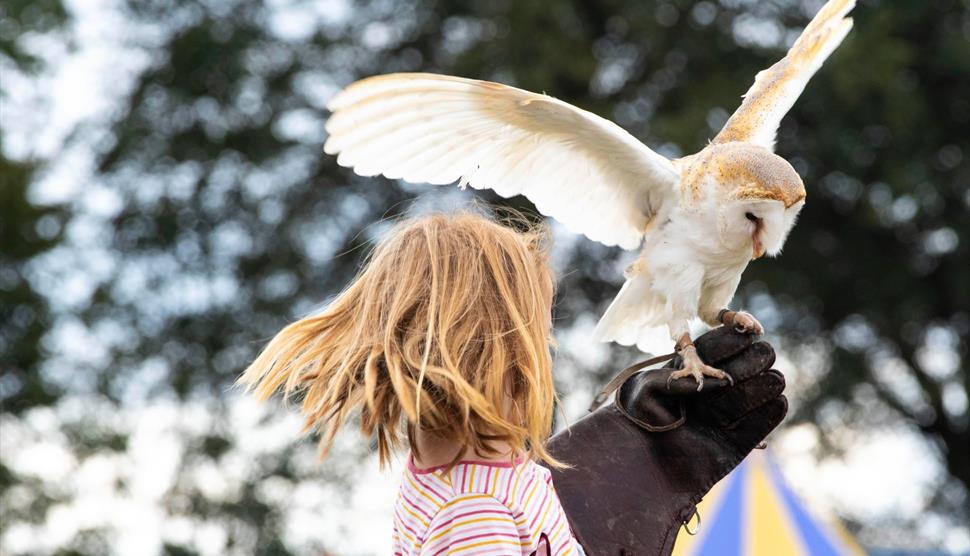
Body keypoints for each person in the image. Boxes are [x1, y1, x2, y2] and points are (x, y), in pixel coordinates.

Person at [238, 211, 786, 555]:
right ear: (494, 353)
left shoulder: (482, 474)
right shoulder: (474, 513)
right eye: (536, 339)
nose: (542, 358)